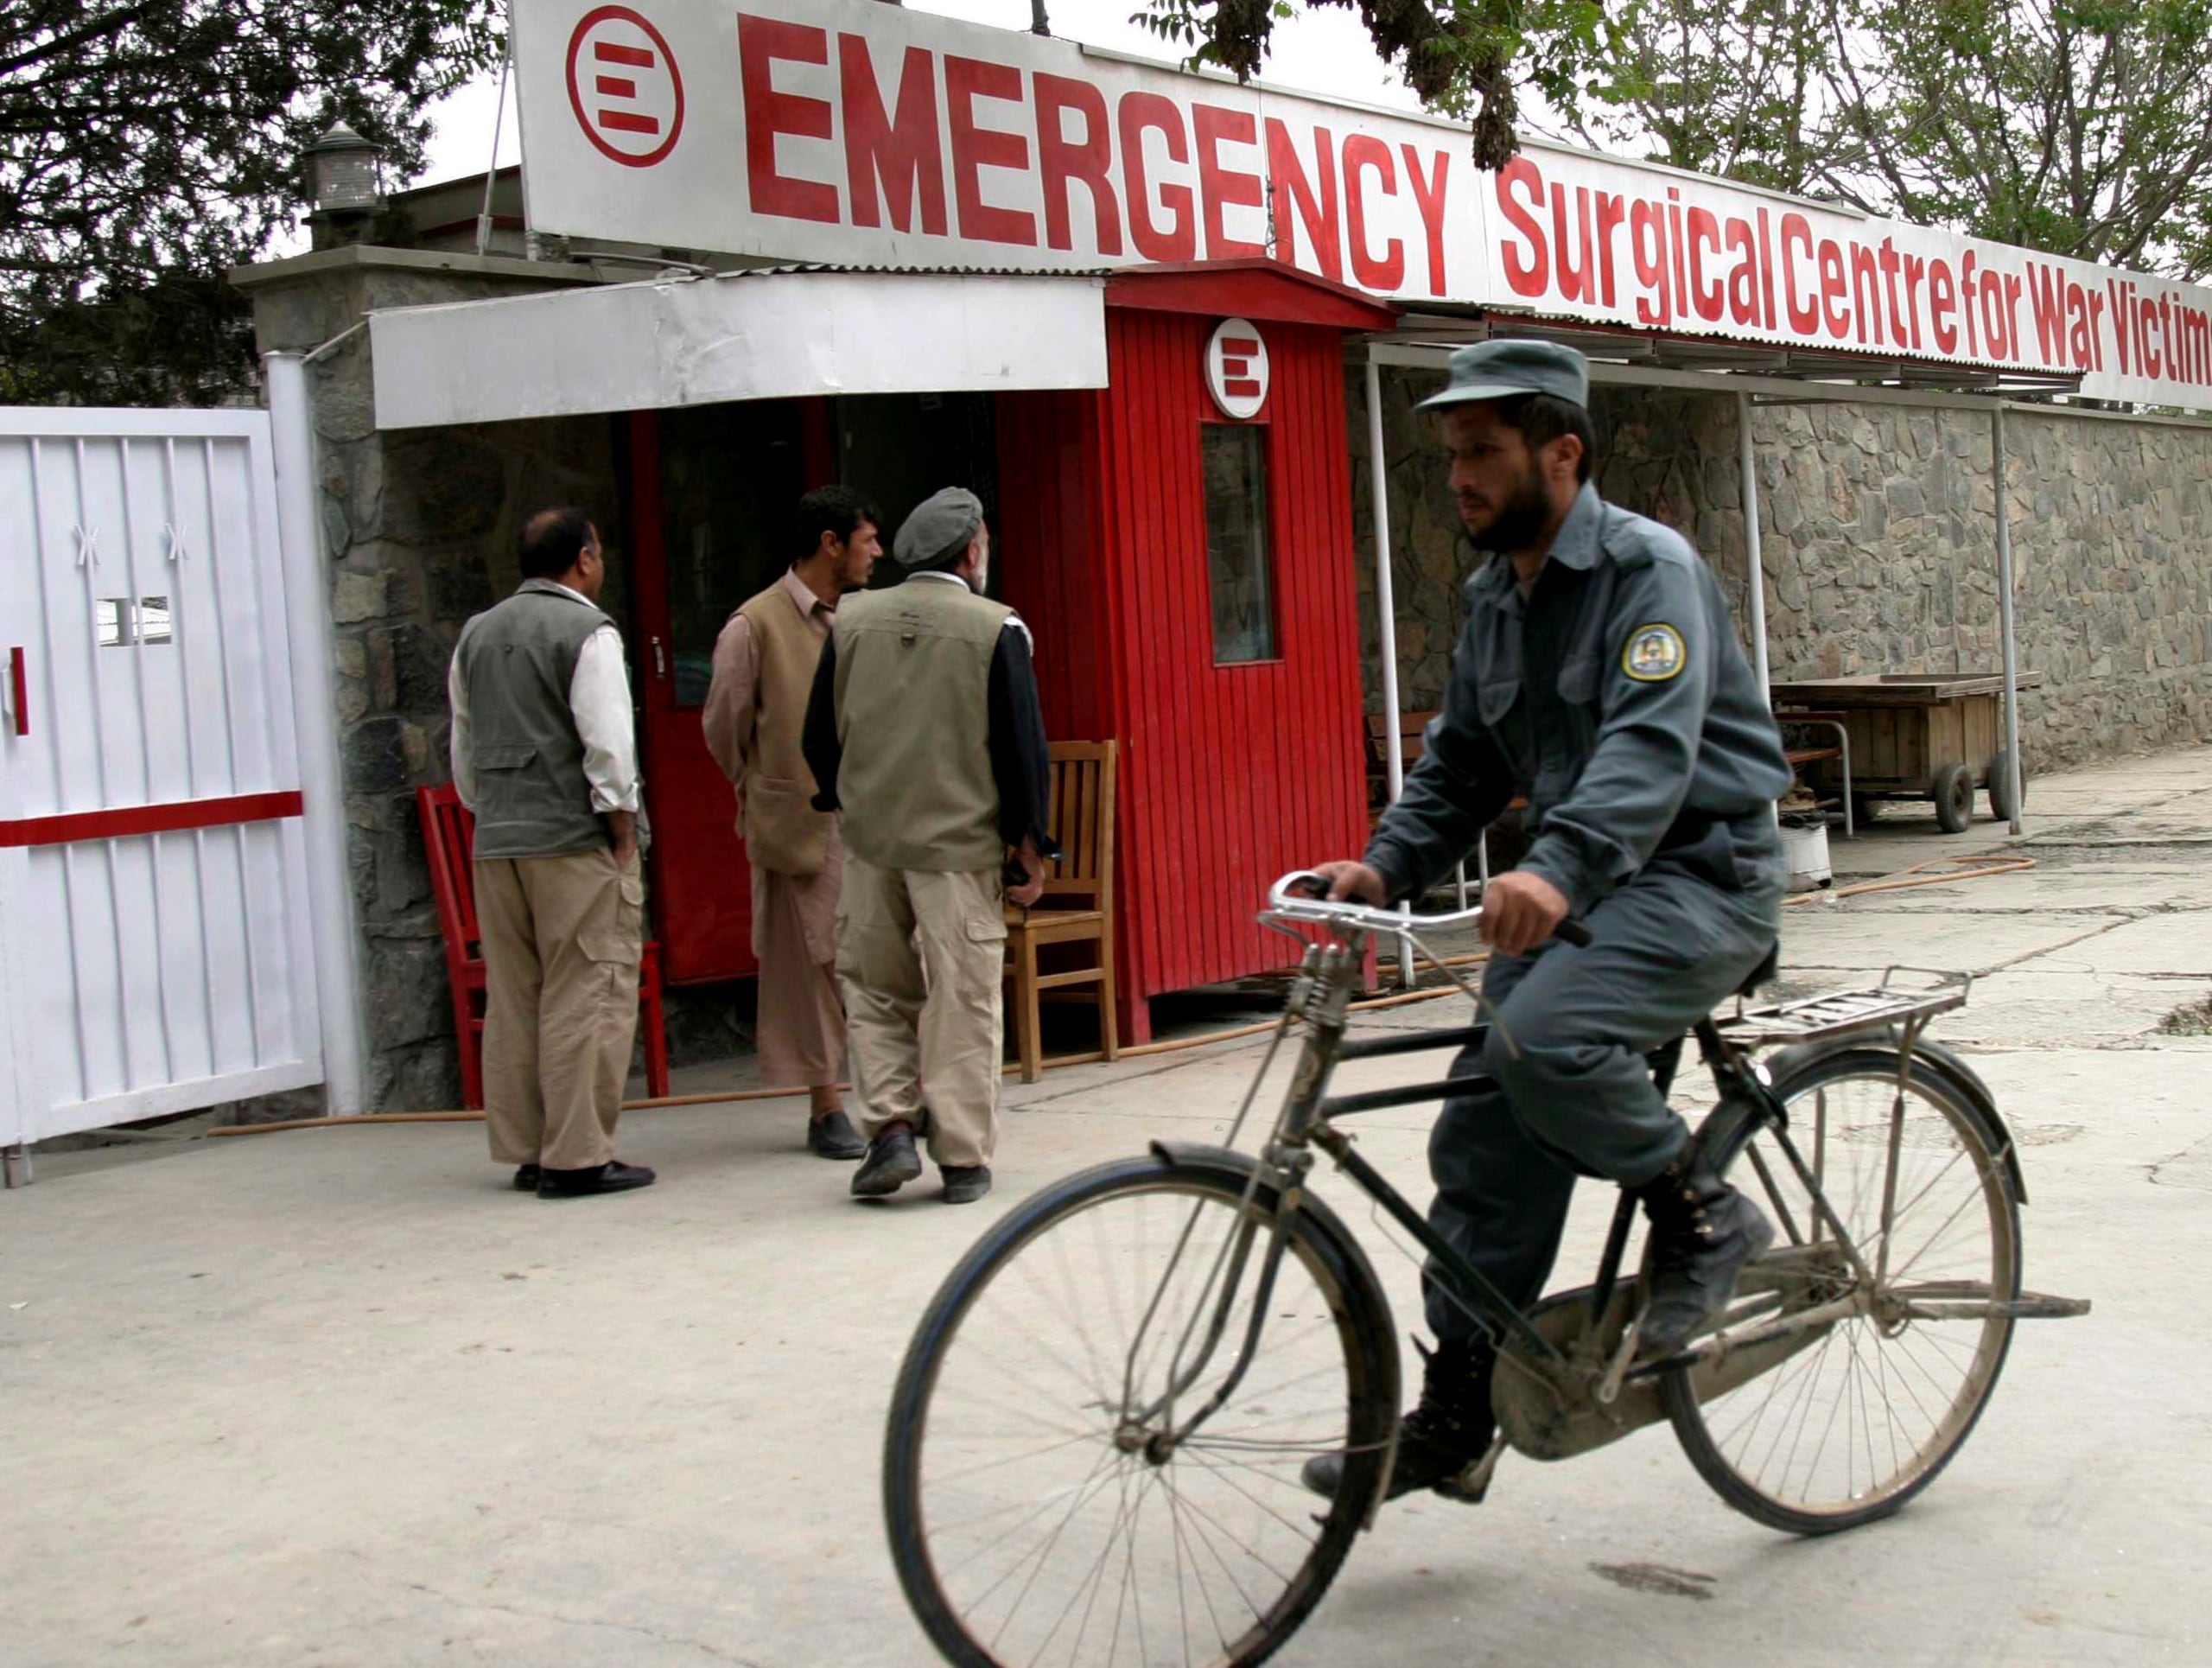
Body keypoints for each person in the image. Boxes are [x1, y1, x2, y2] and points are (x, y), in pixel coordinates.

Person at [1302, 341, 1793, 1502]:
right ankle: (1462, 1407)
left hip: (1700, 876)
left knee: (1540, 1042)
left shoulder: (1648, 571)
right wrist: (1381, 870)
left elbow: (1647, 751)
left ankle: (1706, 1214)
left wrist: (1557, 867)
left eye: (1483, 452)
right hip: (1590, 896)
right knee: (1481, 1128)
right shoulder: (1494, 599)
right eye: (1452, 456)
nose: (1458, 478)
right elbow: (1461, 767)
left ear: (1561, 452)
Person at [801, 487, 1053, 1206]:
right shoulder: (998, 627)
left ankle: (889, 1131)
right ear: (972, 552)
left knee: (874, 989)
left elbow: (819, 735)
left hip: (872, 841)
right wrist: (1029, 844)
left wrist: (848, 802)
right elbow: (1020, 750)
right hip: (960, 848)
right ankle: (964, 1159)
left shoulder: (851, 620)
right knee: (962, 997)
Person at [448, 507, 656, 1200]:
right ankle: (577, 1156)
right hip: (572, 841)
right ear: (585, 558)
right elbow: (608, 744)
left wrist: (490, 813)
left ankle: (530, 1149)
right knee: (587, 991)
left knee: (517, 997)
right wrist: (622, 829)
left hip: (498, 840)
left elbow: (465, 745)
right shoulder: (588, 631)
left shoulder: (476, 634)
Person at [702, 487, 881, 1161]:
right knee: (807, 962)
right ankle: (825, 1103)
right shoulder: (754, 625)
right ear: (830, 544)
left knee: (878, 952)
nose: (877, 554)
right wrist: (762, 787)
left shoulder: (864, 617)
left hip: (870, 816)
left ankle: (890, 1094)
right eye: (867, 540)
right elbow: (723, 726)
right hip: (798, 821)